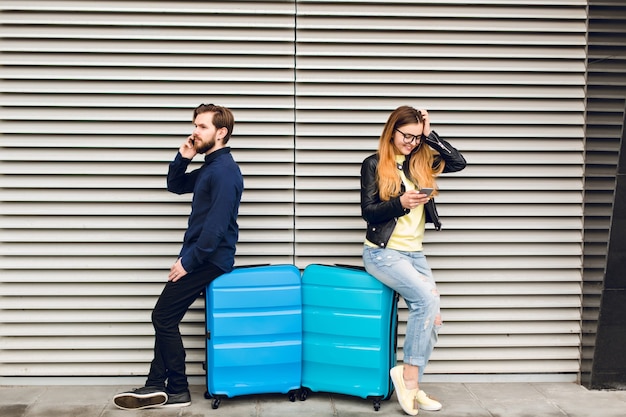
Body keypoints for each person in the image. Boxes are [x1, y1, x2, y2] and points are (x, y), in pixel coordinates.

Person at [113, 103, 244, 410]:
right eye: (195, 125)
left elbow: (215, 230)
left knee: (162, 317)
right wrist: (182, 157)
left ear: (221, 132)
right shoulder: (210, 169)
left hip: (208, 259)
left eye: (202, 127)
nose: (194, 132)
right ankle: (157, 384)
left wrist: (188, 262)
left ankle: (178, 389)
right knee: (166, 317)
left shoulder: (225, 172)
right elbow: (175, 185)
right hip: (200, 255)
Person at [360, 106, 466, 415]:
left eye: (417, 137)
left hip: (414, 253)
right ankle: (408, 381)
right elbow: (368, 212)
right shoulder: (374, 164)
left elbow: (459, 162)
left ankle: (412, 386)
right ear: (391, 131)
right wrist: (400, 203)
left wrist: (430, 134)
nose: (411, 142)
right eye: (406, 135)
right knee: (425, 302)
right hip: (382, 251)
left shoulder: (422, 161)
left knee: (433, 317)